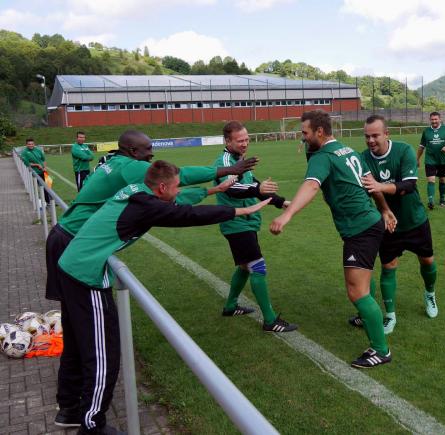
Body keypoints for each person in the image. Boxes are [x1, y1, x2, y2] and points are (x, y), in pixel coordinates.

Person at [55, 160, 270, 434]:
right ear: (162, 187)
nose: (179, 190)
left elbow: (179, 202)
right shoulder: (148, 206)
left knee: (88, 347)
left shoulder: (138, 191)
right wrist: (242, 210)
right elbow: (188, 215)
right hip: (83, 276)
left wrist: (212, 191)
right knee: (103, 355)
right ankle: (91, 426)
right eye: (177, 186)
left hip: (73, 267)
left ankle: (75, 412)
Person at [46, 130, 257, 303]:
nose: (151, 155)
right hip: (74, 242)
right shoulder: (131, 167)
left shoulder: (115, 161)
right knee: (85, 314)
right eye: (147, 150)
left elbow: (172, 196)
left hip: (67, 235)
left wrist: (211, 191)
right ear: (132, 150)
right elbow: (178, 178)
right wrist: (229, 169)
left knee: (74, 310)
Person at [270, 110, 397, 369]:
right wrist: (383, 209)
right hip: (370, 221)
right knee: (363, 280)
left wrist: (288, 214)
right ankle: (366, 319)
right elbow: (368, 183)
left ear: (319, 131)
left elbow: (312, 186)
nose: (302, 137)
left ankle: (381, 350)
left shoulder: (324, 156)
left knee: (356, 290)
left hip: (360, 228)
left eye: (305, 133)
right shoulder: (347, 150)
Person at [356, 115, 438, 335]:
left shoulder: (404, 151)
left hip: (414, 220)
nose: (371, 140)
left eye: (375, 135)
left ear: (386, 134)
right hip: (388, 223)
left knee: (427, 260)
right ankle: (390, 315)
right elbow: (370, 190)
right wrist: (384, 209)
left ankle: (430, 294)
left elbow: (409, 185)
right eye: (367, 136)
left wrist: (380, 187)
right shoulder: (363, 158)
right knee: (388, 267)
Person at [215, 121, 297, 332]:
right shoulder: (225, 161)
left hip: (247, 221)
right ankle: (270, 320)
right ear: (227, 141)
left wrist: (280, 202)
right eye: (239, 140)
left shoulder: (240, 160)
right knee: (257, 266)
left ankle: (230, 306)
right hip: (236, 223)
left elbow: (255, 185)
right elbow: (233, 189)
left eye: (246, 139)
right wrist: (257, 188)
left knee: (244, 266)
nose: (244, 144)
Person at [416, 112, 445, 209]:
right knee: (431, 180)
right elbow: (421, 147)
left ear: (440, 119)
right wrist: (417, 159)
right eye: (432, 119)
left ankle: (442, 199)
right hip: (430, 159)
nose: (434, 121)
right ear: (430, 120)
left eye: (436, 119)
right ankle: (431, 201)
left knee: (442, 179)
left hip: (442, 160)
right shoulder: (426, 131)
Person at [20, 138, 51, 206]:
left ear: (34, 144)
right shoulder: (24, 152)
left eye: (32, 144)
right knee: (42, 187)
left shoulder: (38, 150)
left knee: (49, 184)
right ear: (26, 145)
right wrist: (37, 165)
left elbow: (43, 159)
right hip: (35, 173)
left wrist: (45, 167)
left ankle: (50, 200)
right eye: (29, 144)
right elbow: (27, 163)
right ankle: (47, 202)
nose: (31, 145)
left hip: (43, 171)